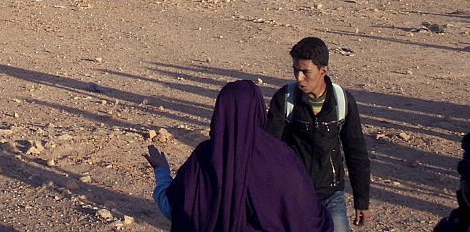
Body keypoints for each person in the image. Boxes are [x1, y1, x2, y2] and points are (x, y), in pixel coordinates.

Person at [145, 80, 333, 232]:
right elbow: (309, 218)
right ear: (258, 110)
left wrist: (162, 172)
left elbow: (174, 209)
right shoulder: (281, 158)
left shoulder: (205, 158)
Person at [266, 37, 371, 232]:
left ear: (323, 70)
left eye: (305, 72)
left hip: (331, 194)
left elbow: (355, 151)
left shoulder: (342, 101)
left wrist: (361, 200)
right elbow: (269, 149)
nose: (299, 78)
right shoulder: (285, 99)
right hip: (293, 193)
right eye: (295, 70)